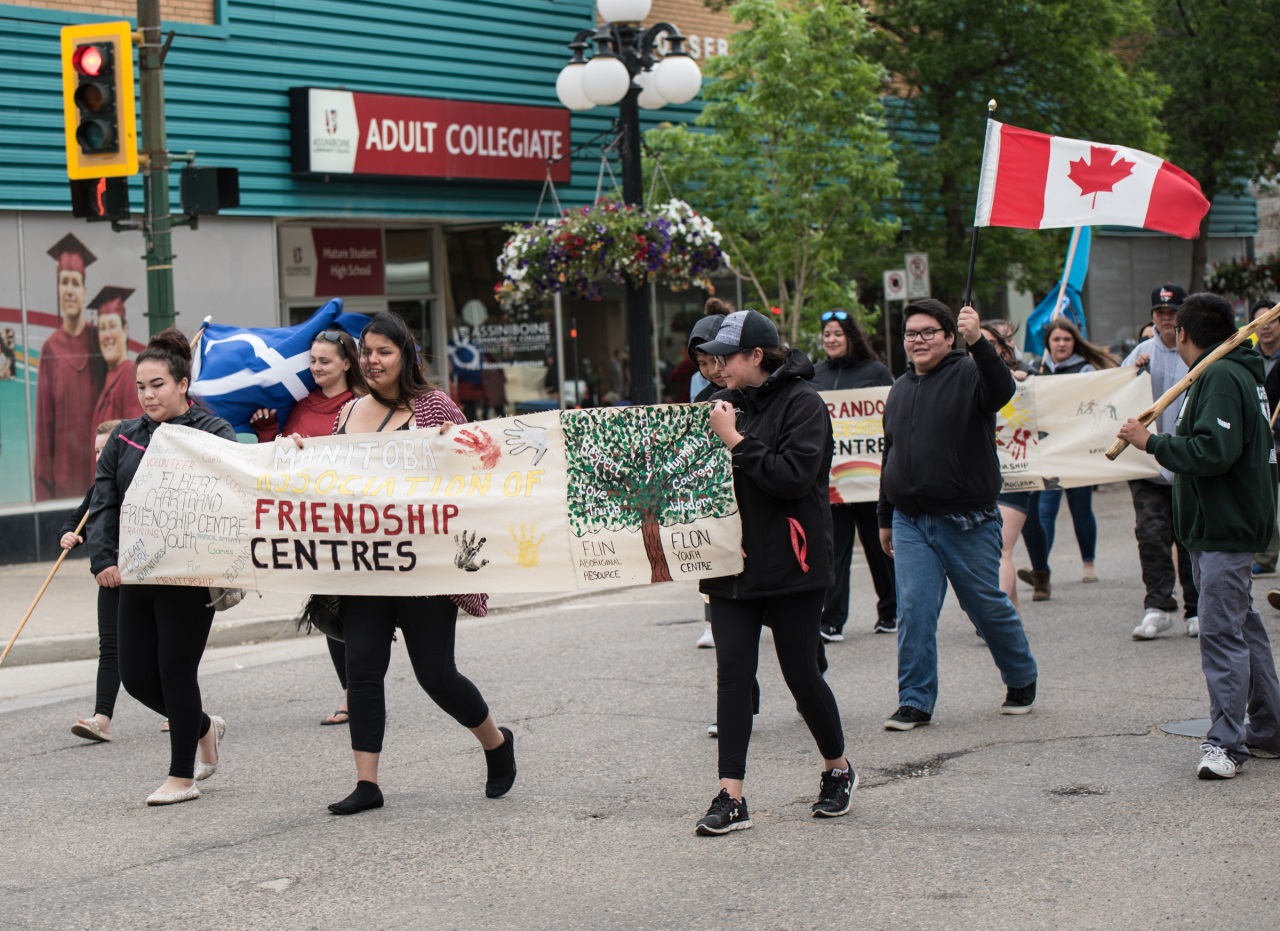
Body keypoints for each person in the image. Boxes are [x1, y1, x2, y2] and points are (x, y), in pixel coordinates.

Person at [317, 311, 515, 816]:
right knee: (362, 671)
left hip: (425, 565)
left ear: (405, 355)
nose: (373, 360)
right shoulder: (348, 412)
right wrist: (297, 455)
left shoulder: (434, 406)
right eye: (366, 351)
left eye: (383, 352)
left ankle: (495, 742)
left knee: (436, 674)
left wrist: (458, 446)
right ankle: (367, 783)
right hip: (366, 564)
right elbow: (325, 479)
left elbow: (480, 469)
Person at [692, 309, 854, 836]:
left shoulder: (804, 403)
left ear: (756, 355)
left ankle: (837, 768)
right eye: (713, 358)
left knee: (801, 674)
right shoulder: (718, 403)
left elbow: (792, 478)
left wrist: (736, 441)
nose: (717, 367)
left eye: (727, 357)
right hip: (730, 562)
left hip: (792, 561)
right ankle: (731, 795)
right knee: (733, 675)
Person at [1117, 292, 1280, 778]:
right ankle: (1269, 727)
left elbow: (1213, 451)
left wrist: (1152, 442)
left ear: (1183, 333)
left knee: (1221, 634)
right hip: (1217, 525)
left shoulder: (1222, 376)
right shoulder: (1223, 373)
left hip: (1224, 526)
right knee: (1242, 627)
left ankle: (1225, 744)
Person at [87, 329, 238, 805]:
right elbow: (104, 502)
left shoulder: (213, 432)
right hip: (136, 574)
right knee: (136, 678)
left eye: (158, 385)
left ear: (182, 384)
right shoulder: (124, 438)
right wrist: (103, 558)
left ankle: (181, 777)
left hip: (190, 574)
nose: (148, 395)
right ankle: (204, 726)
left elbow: (237, 487)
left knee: (175, 671)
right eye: (141, 387)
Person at [878, 300, 1038, 731]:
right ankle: (914, 700)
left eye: (929, 332)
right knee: (913, 610)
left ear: (950, 337)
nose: (918, 340)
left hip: (967, 519)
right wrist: (884, 515)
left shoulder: (971, 372)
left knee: (984, 606)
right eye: (911, 333)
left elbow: (1001, 391)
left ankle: (1021, 677)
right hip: (909, 520)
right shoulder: (899, 388)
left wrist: (978, 342)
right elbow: (891, 454)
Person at [251, 328, 368, 726]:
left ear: (347, 363)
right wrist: (267, 431)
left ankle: (360, 693)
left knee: (356, 611)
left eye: (325, 361)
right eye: (312, 360)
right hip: (313, 526)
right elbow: (278, 460)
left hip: (354, 524)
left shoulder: (362, 406)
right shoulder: (300, 404)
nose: (316, 367)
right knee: (331, 612)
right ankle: (353, 693)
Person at [810, 309, 897, 638]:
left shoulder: (876, 372)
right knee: (834, 552)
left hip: (872, 482)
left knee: (880, 549)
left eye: (838, 333)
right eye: (827, 334)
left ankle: (891, 612)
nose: (831, 339)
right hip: (834, 483)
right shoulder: (815, 375)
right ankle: (831, 620)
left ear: (851, 337)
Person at [1121, 284, 1200, 639]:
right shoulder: (1140, 353)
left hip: (1186, 462)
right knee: (1151, 535)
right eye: (1160, 313)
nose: (1166, 319)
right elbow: (1116, 398)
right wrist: (1133, 374)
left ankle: (1196, 608)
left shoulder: (1196, 350)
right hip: (1148, 465)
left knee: (1189, 538)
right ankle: (1157, 606)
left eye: (1172, 312)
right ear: (1152, 316)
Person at [1026, 319, 1116, 590]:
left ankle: (1088, 564)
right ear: (1048, 343)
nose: (1062, 344)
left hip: (1077, 451)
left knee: (1081, 509)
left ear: (1074, 342)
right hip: (1048, 451)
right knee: (1045, 511)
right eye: (1056, 339)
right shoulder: (1036, 369)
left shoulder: (1085, 369)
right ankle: (1040, 568)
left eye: (1067, 339)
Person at [61, 419, 123, 742]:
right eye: (96, 452)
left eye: (106, 450)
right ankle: (102, 719)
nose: (100, 457)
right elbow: (77, 521)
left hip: (145, 576)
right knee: (110, 647)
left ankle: (176, 711)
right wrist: (68, 535)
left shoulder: (143, 482)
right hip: (109, 575)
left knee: (156, 647)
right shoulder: (98, 489)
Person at [982, 322, 1047, 613]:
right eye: (974, 343)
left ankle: (997, 618)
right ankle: (1013, 618)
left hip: (1014, 474)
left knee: (1000, 550)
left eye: (988, 344)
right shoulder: (960, 377)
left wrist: (1022, 380)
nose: (979, 349)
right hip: (979, 477)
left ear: (1004, 349)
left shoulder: (1025, 378)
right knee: (989, 551)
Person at [36, 234, 104, 500]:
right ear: (58, 290)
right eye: (64, 282)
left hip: (99, 471)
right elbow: (44, 429)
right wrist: (44, 495)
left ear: (84, 291)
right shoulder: (50, 349)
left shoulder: (98, 341)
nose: (69, 290)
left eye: (75, 282)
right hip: (63, 480)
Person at [687, 312, 727, 652]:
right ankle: (713, 621)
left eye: (715, 360)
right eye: (702, 364)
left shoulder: (757, 393)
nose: (712, 370)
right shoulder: (702, 402)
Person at [1246, 299, 1280, 576]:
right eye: (1260, 321)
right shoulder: (1247, 359)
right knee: (1262, 499)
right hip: (1259, 442)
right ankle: (1266, 557)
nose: (1266, 327)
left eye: (1272, 320)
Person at [87, 287, 143, 426]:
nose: (107, 335)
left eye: (112, 326)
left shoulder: (130, 374)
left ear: (125, 329)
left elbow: (135, 430)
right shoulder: (108, 376)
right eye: (102, 328)